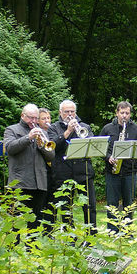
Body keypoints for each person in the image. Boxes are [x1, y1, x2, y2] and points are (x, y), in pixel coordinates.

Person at [2, 103, 55, 228]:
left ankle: (32, 248)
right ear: (22, 116)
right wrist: (28, 137)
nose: (34, 121)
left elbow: (51, 156)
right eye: (31, 118)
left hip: (39, 183)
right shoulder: (12, 130)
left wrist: (41, 145)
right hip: (20, 182)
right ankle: (13, 247)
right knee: (15, 222)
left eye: (36, 118)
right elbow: (9, 148)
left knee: (35, 222)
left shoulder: (43, 133)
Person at [48, 99, 97, 232]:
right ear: (60, 112)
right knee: (65, 207)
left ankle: (91, 234)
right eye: (66, 112)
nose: (70, 114)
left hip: (83, 171)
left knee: (89, 205)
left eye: (72, 112)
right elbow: (52, 147)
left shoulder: (84, 127)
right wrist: (67, 131)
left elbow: (92, 146)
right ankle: (70, 236)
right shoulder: (53, 127)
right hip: (63, 172)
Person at [101, 101, 137, 232]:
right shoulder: (107, 128)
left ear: (130, 114)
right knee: (112, 203)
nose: (124, 116)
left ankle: (127, 231)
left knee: (129, 203)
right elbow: (101, 148)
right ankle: (112, 231)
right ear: (117, 113)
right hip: (112, 171)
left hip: (129, 171)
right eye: (122, 113)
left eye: (127, 113)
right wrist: (108, 157)